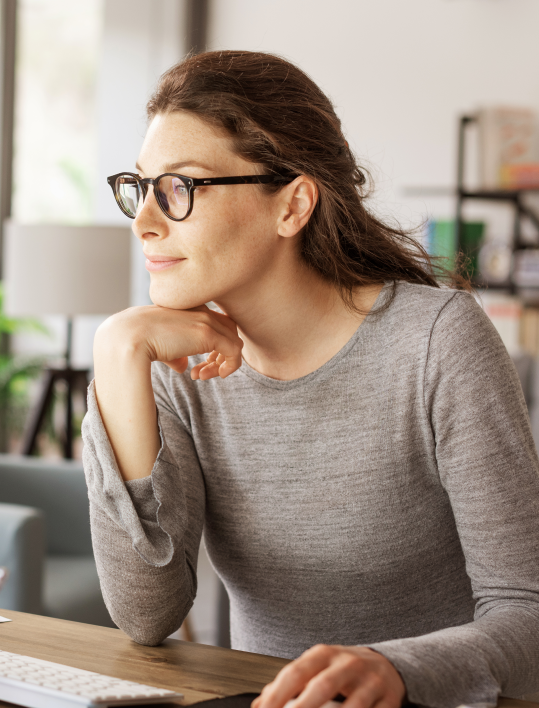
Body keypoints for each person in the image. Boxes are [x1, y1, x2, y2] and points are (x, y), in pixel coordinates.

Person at [82, 50, 539, 708]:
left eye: (179, 188)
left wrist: (393, 669)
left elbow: (527, 614)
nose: (144, 221)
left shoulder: (438, 342)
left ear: (293, 205)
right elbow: (146, 615)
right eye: (140, 186)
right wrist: (117, 357)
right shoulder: (174, 365)